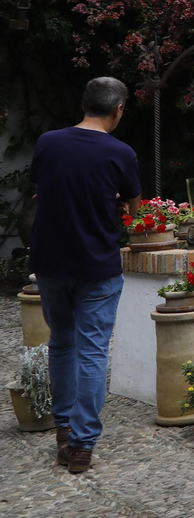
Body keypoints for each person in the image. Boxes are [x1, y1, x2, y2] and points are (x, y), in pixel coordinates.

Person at [29, 77, 141, 474]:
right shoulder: (121, 152)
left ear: (85, 104)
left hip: (51, 262)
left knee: (61, 344)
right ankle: (81, 444)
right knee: (92, 350)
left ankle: (63, 429)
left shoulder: (48, 142)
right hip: (97, 264)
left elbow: (40, 188)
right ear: (117, 110)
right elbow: (134, 209)